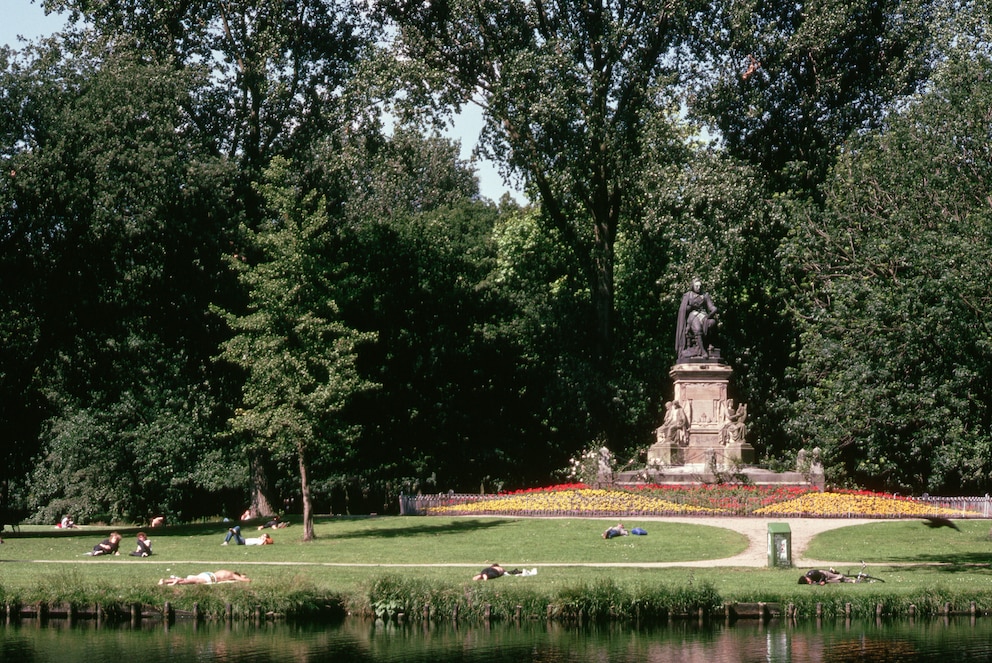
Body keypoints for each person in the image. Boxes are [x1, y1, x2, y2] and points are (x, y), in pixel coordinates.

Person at [675, 277, 719, 361]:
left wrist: (713, 309)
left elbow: (711, 306)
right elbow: (683, 310)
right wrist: (690, 307)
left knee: (712, 322)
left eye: (700, 286)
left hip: (703, 315)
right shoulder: (688, 295)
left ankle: (709, 344)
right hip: (693, 316)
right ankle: (702, 351)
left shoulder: (705, 295)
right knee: (698, 328)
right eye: (696, 286)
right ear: (693, 286)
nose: (698, 288)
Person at [158, 569, 251, 586]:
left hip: (207, 574)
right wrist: (246, 579)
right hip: (211, 577)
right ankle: (177, 581)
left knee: (191, 580)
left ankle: (166, 581)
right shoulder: (232, 575)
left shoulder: (224, 571)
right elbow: (244, 580)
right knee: (194, 581)